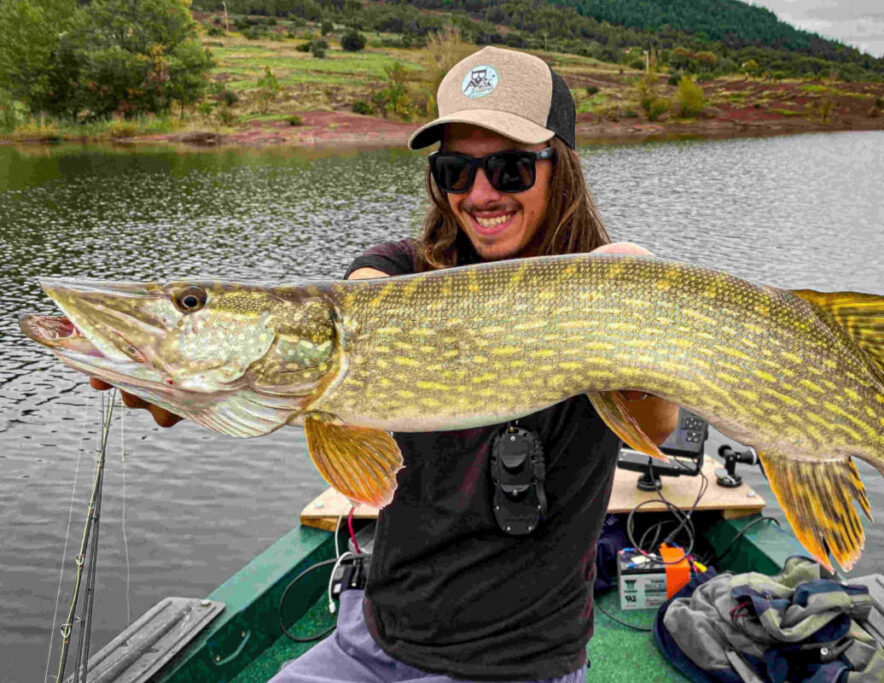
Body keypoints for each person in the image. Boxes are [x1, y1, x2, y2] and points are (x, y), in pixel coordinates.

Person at [95, 46, 678, 682]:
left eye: (510, 169)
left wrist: (634, 308)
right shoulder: (396, 272)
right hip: (373, 641)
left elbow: (656, 428)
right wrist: (193, 385)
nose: (480, 194)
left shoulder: (604, 283)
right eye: (455, 170)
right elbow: (353, 308)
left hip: (516, 665)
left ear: (560, 167)